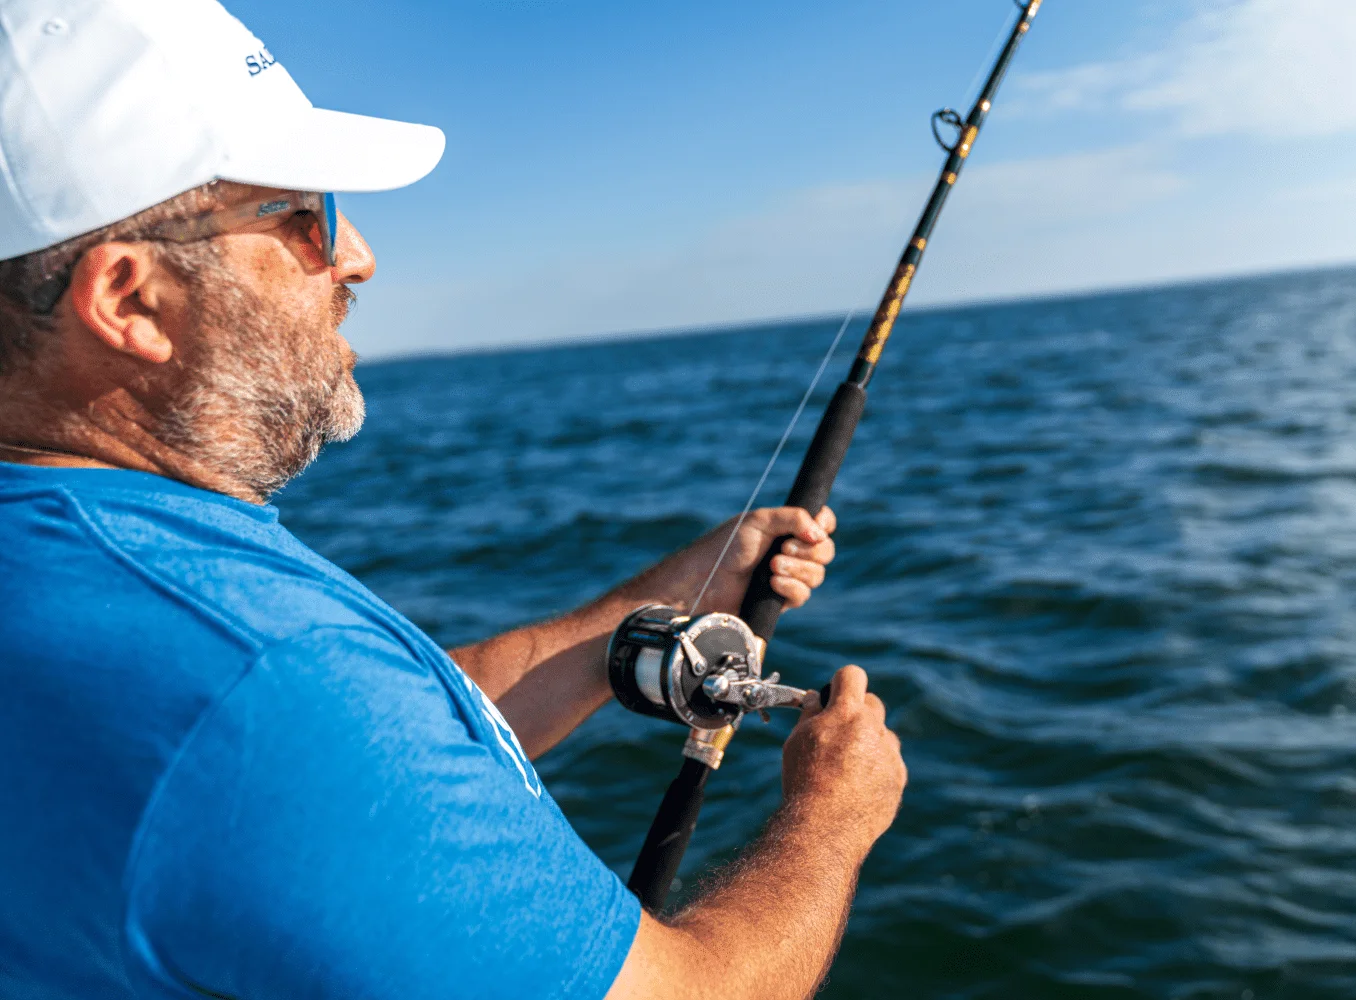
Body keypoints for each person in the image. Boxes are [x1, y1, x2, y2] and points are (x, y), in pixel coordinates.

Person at [0, 2, 908, 999]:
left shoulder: (86, 564)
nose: (356, 255)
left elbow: (402, 725)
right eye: (303, 216)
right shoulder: (263, 685)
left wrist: (652, 612)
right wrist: (832, 817)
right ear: (131, 299)